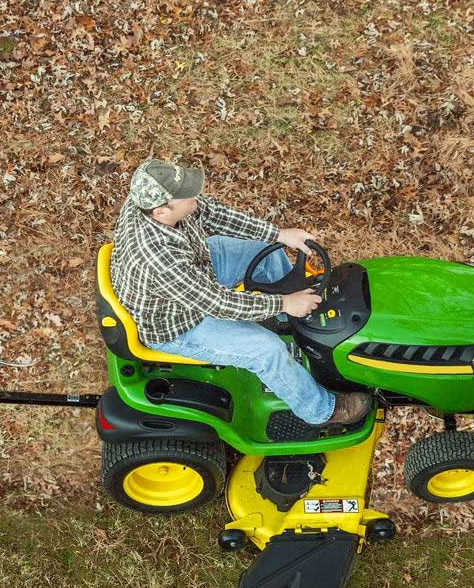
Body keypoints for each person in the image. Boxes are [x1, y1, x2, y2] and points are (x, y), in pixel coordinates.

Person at [110, 159, 371, 427]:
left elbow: (214, 213)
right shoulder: (158, 259)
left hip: (194, 267)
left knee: (264, 251)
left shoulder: (150, 195)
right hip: (180, 323)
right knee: (268, 351)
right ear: (161, 212)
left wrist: (279, 234)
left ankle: (293, 320)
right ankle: (320, 411)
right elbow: (218, 303)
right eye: (186, 194)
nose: (195, 195)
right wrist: (284, 303)